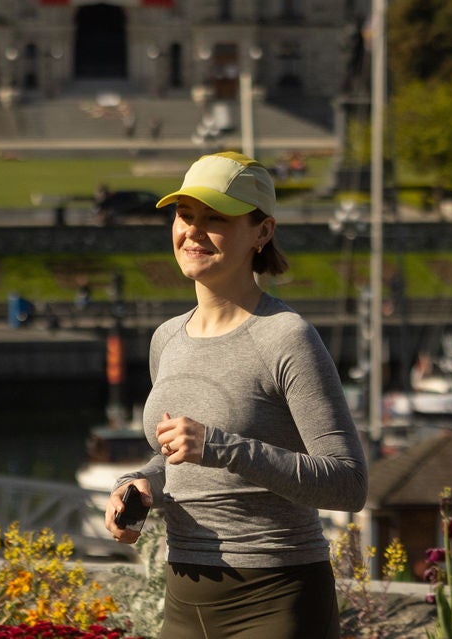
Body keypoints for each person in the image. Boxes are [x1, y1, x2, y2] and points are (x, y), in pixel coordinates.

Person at [105, 151, 367, 639]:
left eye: (216, 219)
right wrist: (140, 483)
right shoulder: (167, 338)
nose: (193, 232)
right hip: (184, 594)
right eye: (185, 216)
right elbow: (177, 457)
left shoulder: (285, 336)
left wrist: (221, 447)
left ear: (262, 232)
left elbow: (349, 484)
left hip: (277, 595)